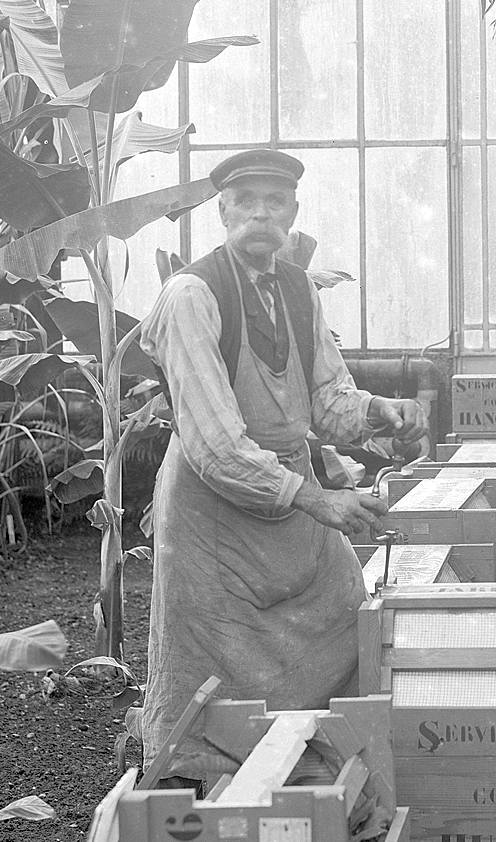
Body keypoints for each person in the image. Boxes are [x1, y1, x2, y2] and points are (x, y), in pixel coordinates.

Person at [139, 147, 426, 787]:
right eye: (247, 202)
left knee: (345, 605)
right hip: (213, 513)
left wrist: (382, 410)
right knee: (214, 658)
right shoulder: (192, 295)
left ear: (292, 213)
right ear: (223, 211)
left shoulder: (296, 287)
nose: (260, 216)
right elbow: (215, 445)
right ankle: (201, 789)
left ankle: (319, 776)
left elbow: (327, 399)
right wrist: (322, 501)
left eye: (275, 203)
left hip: (291, 493)